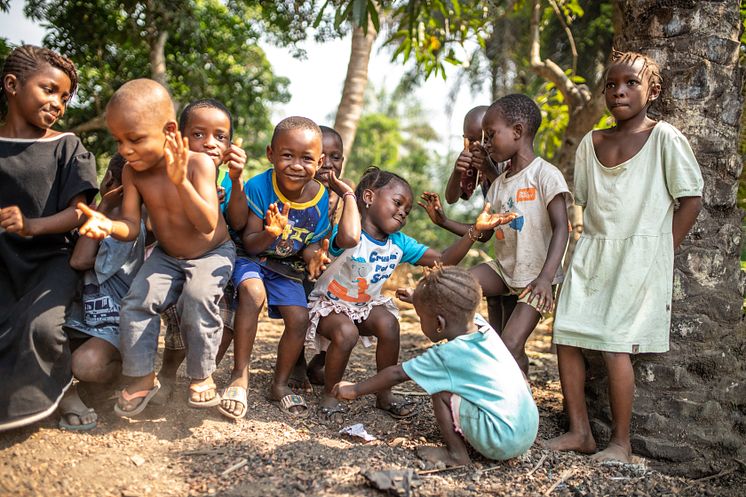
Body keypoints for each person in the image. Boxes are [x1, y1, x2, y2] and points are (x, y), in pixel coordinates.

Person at [545, 50, 703, 463]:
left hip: (640, 255)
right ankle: (580, 432)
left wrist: (662, 250)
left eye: (631, 83)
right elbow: (586, 201)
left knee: (615, 344)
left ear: (652, 90)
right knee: (566, 334)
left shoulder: (664, 138)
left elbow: (691, 198)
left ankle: (621, 441)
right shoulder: (591, 142)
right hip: (593, 253)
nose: (619, 91)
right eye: (611, 85)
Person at [307, 167, 517, 422]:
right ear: (369, 197)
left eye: (406, 210)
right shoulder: (348, 232)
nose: (402, 213)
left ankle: (384, 394)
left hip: (362, 305)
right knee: (346, 332)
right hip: (330, 305)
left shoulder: (398, 242)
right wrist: (348, 193)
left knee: (388, 323)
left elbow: (441, 260)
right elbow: (349, 237)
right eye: (397, 203)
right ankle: (331, 394)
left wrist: (474, 232)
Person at [78, 79, 235, 418]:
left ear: (168, 130)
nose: (125, 150)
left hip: (211, 254)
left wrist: (180, 182)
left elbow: (207, 223)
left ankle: (202, 374)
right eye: (119, 140)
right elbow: (132, 227)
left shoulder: (198, 164)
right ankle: (143, 378)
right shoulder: (134, 173)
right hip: (167, 255)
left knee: (196, 298)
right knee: (137, 302)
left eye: (134, 139)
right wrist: (109, 225)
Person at [333, 266, 539, 466]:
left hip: (501, 441)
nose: (422, 320)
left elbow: (396, 374)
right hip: (527, 428)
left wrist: (355, 389)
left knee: (440, 391)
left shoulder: (446, 356)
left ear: (439, 324)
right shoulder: (482, 327)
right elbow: (451, 306)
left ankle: (456, 454)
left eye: (422, 317)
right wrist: (419, 300)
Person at [217, 116, 345, 420]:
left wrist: (314, 256)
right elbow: (249, 243)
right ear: (271, 153)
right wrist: (271, 233)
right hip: (252, 257)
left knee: (299, 318)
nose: (296, 165)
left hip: (285, 266)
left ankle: (279, 383)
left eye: (306, 158)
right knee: (251, 292)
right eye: (287, 155)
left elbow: (310, 243)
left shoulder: (320, 199)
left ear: (320, 161)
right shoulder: (260, 186)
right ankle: (240, 375)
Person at [0, 45, 98, 431]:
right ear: (11, 84)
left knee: (39, 326)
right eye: (49, 90)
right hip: (2, 260)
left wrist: (31, 226)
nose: (58, 103)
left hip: (51, 260)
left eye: (65, 97)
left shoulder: (67, 145)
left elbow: (80, 213)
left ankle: (62, 391)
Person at [470, 94, 571, 375]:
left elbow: (563, 227)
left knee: (511, 344)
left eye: (490, 136)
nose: (487, 144)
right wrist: (443, 221)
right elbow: (485, 231)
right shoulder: (499, 183)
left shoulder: (545, 174)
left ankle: (521, 408)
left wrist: (546, 278)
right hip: (505, 270)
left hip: (537, 278)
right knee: (460, 284)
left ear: (517, 131)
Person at [155, 98, 247, 404]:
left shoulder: (227, 178)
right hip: (176, 257)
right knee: (177, 312)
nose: (210, 143)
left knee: (214, 313)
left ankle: (198, 374)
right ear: (180, 138)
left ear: (231, 145)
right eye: (198, 134)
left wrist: (235, 181)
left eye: (220, 137)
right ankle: (168, 374)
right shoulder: (171, 171)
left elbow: (237, 221)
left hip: (216, 259)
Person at [62, 154, 146, 430]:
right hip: (83, 317)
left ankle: (119, 378)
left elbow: (80, 261)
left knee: (85, 365)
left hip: (111, 323)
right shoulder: (97, 211)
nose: (107, 179)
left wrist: (106, 205)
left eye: (111, 176)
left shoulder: (125, 228)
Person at [438, 105, 519, 336]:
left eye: (486, 138)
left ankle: (507, 359)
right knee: (494, 302)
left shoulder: (509, 163)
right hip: (503, 250)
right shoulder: (475, 159)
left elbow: (510, 197)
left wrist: (490, 170)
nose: (480, 145)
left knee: (510, 319)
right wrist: (457, 171)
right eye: (471, 139)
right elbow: (453, 197)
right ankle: (495, 353)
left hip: (524, 252)